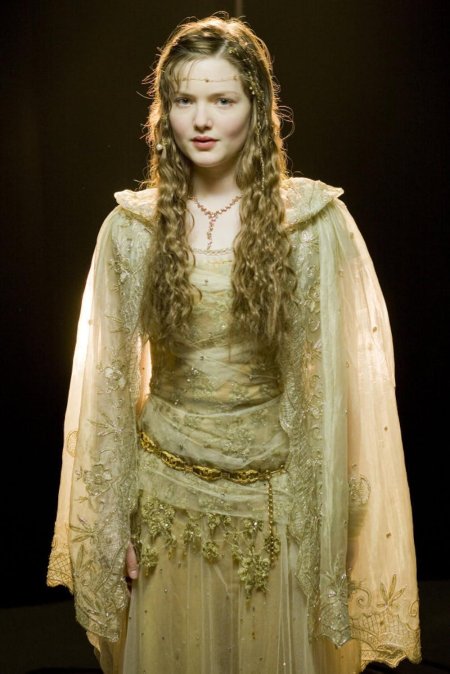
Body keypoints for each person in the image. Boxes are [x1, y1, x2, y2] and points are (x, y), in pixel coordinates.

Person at [47, 13, 421, 674]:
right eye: (184, 100)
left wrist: (330, 526)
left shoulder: (312, 224)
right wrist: (110, 528)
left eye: (222, 100)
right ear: (163, 112)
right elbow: (105, 392)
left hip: (276, 508)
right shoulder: (130, 231)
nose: (201, 119)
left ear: (258, 106)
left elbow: (342, 392)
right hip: (166, 506)